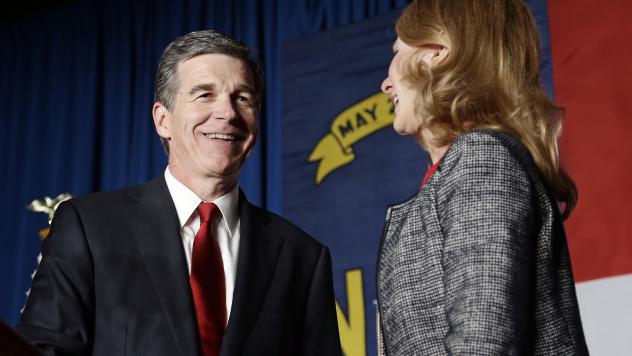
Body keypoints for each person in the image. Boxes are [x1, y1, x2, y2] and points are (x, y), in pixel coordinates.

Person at [18, 30, 342, 356]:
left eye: (243, 98)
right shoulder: (89, 227)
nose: (227, 113)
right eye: (204, 95)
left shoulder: (303, 257)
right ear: (163, 120)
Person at [376, 0, 589, 355]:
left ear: (435, 54)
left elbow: (483, 340)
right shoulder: (460, 168)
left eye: (398, 52)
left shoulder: (481, 157)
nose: (386, 84)